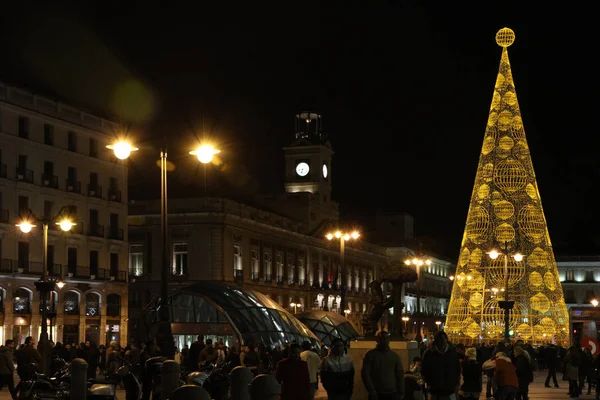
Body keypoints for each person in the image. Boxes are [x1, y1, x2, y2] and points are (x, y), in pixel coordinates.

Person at [362, 331, 405, 400]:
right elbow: (365, 374)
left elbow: (400, 375)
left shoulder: (394, 356)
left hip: (392, 392)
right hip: (377, 393)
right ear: (377, 340)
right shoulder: (370, 355)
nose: (385, 340)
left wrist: (401, 392)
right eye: (382, 338)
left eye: (386, 338)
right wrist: (372, 390)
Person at [421, 330, 461, 400]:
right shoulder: (429, 353)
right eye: (440, 340)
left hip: (449, 390)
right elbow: (424, 369)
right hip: (434, 391)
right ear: (436, 341)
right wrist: (428, 382)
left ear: (446, 340)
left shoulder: (452, 353)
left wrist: (456, 383)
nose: (442, 342)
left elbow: (457, 369)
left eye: (443, 340)